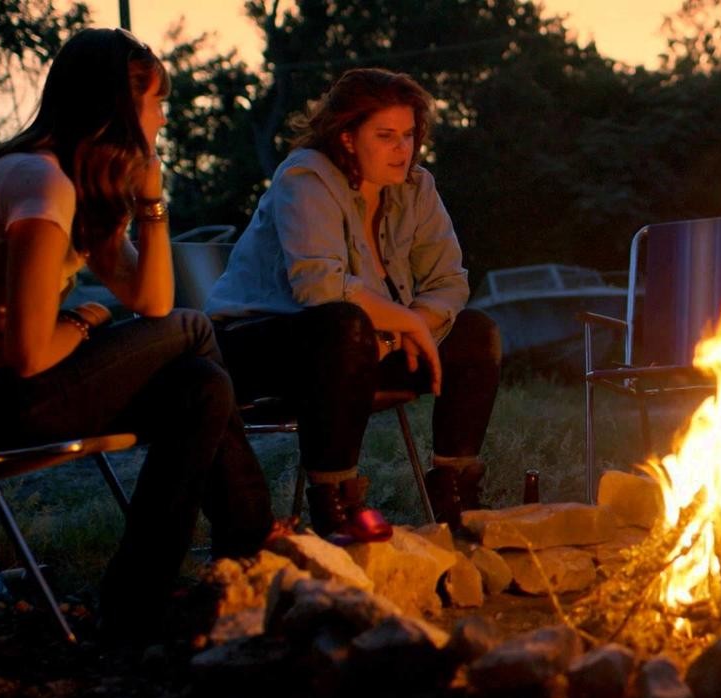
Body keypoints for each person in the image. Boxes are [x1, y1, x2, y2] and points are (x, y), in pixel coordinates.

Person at [0, 28, 274, 637]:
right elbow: (31, 352)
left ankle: (136, 604)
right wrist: (82, 320)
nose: (164, 116)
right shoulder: (41, 184)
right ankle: (253, 544)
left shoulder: (71, 186)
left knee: (201, 385)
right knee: (195, 331)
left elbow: (151, 298)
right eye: (157, 101)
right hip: (1, 399)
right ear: (118, 106)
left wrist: (152, 202)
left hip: (17, 390)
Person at [206, 68, 501, 540]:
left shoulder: (416, 188)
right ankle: (337, 502)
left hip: (362, 347)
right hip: (257, 346)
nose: (401, 149)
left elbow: (449, 280)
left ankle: (457, 496)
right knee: (343, 325)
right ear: (346, 137)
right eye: (385, 136)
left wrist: (412, 325)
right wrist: (402, 322)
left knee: (475, 332)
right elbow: (319, 286)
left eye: (408, 135)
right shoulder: (304, 176)